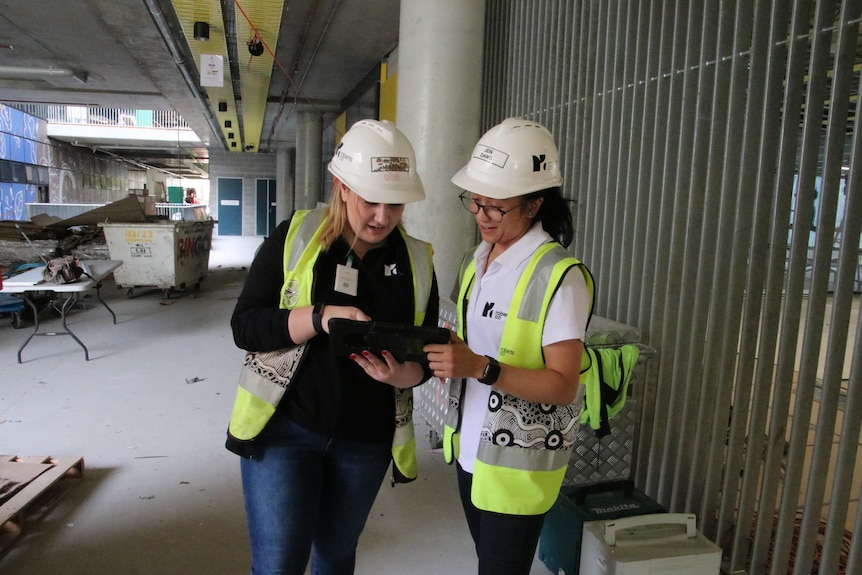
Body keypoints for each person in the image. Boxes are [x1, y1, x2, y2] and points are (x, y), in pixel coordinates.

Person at [226, 119, 440, 575]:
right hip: (286, 430)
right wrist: (320, 318)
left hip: (365, 440)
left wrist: (402, 374)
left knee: (336, 557)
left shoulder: (417, 261)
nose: (382, 217)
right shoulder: (296, 239)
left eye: (396, 204)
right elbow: (246, 326)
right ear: (342, 187)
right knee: (279, 563)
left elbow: (423, 357)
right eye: (371, 201)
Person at [424, 117, 594, 575]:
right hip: (470, 451)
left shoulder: (558, 277)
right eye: (475, 202)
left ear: (535, 204)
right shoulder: (478, 260)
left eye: (496, 208)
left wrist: (481, 366)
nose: (482, 215)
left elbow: (562, 386)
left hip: (517, 464)